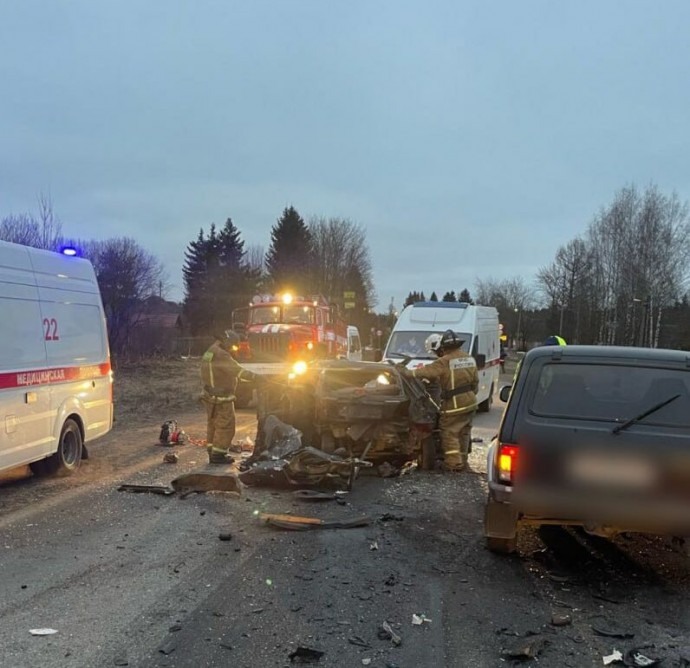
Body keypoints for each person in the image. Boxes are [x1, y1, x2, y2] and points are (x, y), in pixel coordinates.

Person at [400, 329, 478, 472]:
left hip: (455, 404)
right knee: (464, 433)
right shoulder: (469, 358)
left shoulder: (445, 361)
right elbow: (475, 383)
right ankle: (463, 462)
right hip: (471, 402)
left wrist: (407, 373)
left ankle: (454, 465)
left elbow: (426, 371)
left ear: (444, 347)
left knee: (450, 433)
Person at [200, 331, 262, 464]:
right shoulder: (222, 355)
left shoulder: (210, 351)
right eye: (233, 346)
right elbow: (237, 371)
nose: (233, 349)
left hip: (210, 395)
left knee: (213, 425)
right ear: (227, 342)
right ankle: (219, 455)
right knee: (226, 426)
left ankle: (213, 452)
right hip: (222, 397)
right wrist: (257, 377)